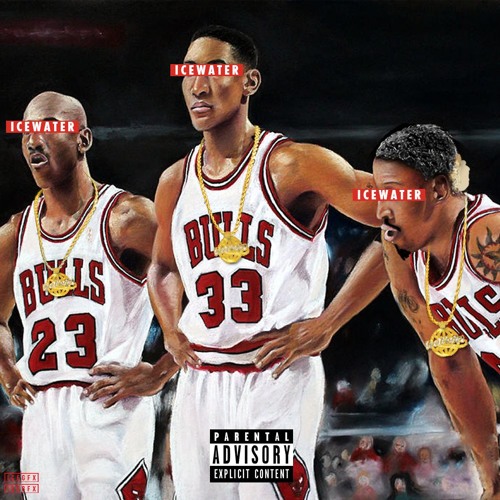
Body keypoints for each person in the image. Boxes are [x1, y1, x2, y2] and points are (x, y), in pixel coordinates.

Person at [89, 25, 388, 499]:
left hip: (270, 375)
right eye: (189, 72)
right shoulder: (175, 181)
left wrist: (328, 323)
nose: (198, 85)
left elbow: (404, 219)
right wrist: (171, 336)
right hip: (200, 385)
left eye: (215, 70)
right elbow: (164, 269)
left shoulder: (294, 165)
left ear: (250, 81)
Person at [0, 91, 176, 499]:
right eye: (27, 131)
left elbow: (204, 284)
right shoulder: (15, 233)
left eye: (49, 128)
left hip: (111, 407)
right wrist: (7, 368)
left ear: (83, 139)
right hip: (41, 413)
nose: (33, 140)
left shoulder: (127, 216)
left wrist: (160, 372)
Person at [373, 124, 500, 498]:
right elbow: (451, 362)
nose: (381, 210)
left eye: (393, 193)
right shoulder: (401, 252)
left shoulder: (488, 238)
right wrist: (492, 477)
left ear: (439, 189)